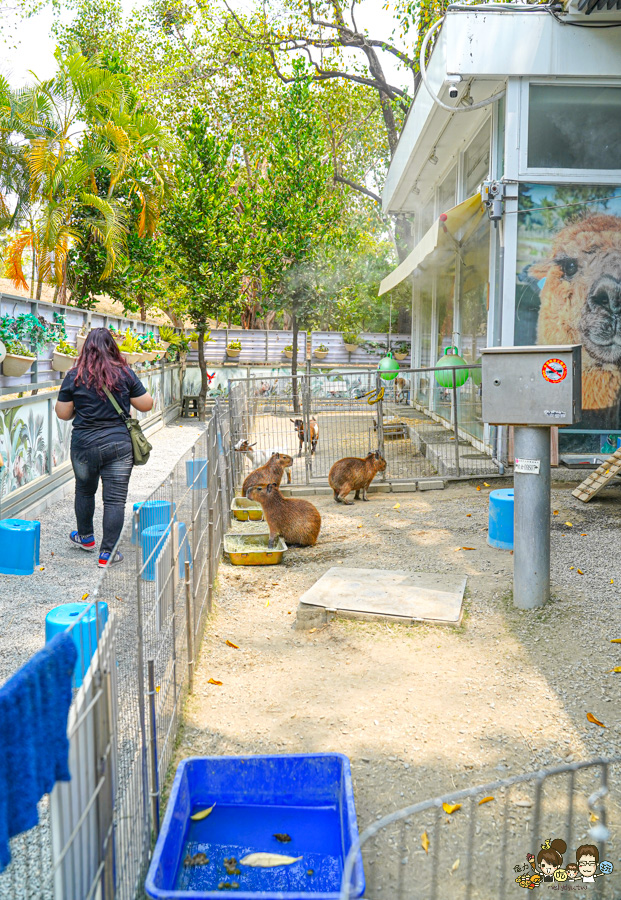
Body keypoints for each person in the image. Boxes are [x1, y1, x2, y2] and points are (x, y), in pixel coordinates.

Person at [55, 328, 153, 567]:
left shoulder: (74, 375)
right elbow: (146, 404)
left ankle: (86, 538)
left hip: (84, 445)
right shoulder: (125, 373)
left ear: (85, 348)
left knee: (84, 491)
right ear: (112, 348)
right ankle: (107, 553)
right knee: (115, 500)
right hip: (118, 445)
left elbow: (63, 413)